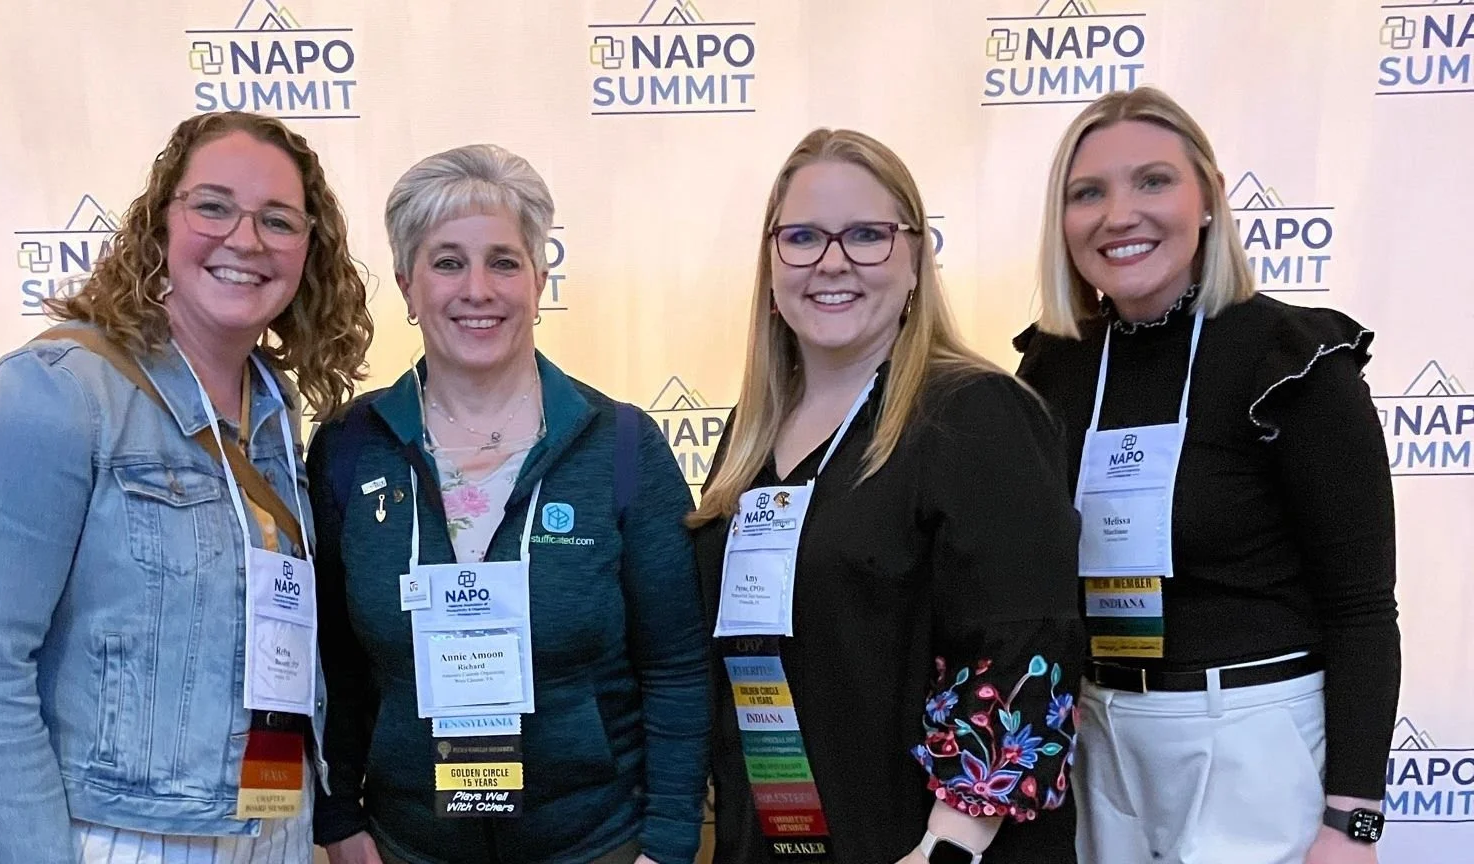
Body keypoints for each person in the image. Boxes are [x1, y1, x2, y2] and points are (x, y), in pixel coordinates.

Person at [0, 110, 374, 863]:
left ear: (311, 250)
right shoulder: (55, 395)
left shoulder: (274, 409)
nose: (245, 239)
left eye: (278, 219)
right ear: (159, 225)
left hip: (270, 828)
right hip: (112, 840)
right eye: (213, 207)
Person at [1014, 86, 1401, 864]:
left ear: (1210, 201)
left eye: (1153, 181)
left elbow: (1361, 610)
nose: (1119, 214)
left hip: (1253, 739)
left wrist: (1351, 822)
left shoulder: (1294, 361)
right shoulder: (1051, 369)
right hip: (1099, 739)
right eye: (1087, 192)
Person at [687, 128, 1084, 864]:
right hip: (774, 832)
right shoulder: (751, 433)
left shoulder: (976, 413)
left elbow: (1032, 648)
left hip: (921, 844)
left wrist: (947, 846)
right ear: (771, 262)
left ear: (915, 261)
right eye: (803, 236)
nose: (832, 262)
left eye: (867, 235)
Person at [308, 143, 710, 864]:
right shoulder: (348, 448)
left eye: (503, 261)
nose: (477, 289)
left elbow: (676, 666)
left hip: (598, 845)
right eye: (447, 261)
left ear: (539, 277)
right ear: (406, 284)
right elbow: (331, 659)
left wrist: (671, 842)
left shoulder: (620, 446)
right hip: (407, 846)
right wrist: (338, 821)